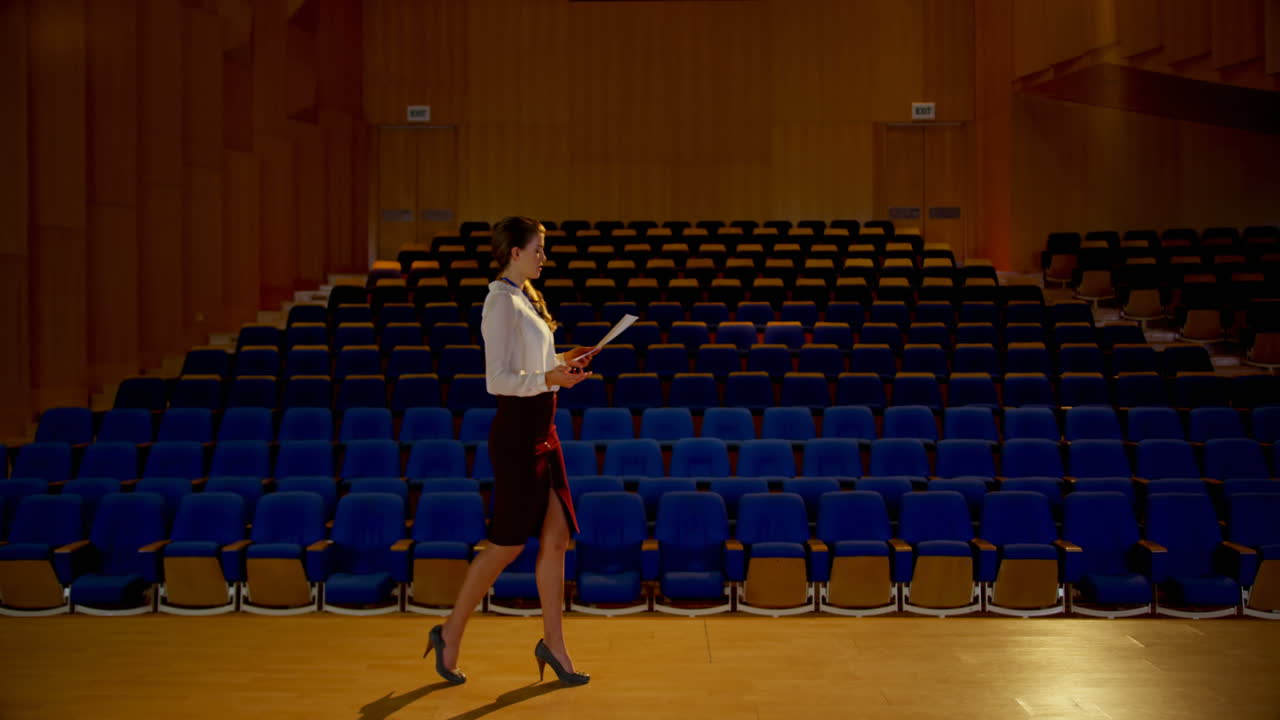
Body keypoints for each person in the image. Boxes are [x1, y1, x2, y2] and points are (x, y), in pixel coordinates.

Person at [424, 216, 595, 686]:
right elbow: (496, 380)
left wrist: (566, 360)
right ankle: (450, 632)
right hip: (519, 436)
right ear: (514, 252)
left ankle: (554, 647)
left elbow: (537, 365)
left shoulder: (526, 299)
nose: (544, 257)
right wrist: (549, 378)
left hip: (545, 430)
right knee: (507, 544)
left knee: (557, 538)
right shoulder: (499, 303)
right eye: (538, 249)